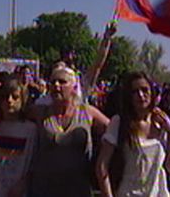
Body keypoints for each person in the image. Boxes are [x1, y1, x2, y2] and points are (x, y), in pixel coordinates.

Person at [28, 66, 109, 197]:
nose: (56, 85)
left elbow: (115, 130)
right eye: (52, 82)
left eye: (62, 82)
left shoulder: (87, 113)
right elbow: (12, 110)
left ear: (74, 87)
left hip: (78, 189)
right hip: (44, 189)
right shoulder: (40, 112)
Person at [96, 71, 170, 197]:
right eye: (135, 91)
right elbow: (102, 166)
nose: (141, 95)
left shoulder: (161, 123)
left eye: (145, 90)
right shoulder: (119, 123)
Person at [0, 76, 36, 197]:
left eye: (15, 97)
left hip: (16, 191)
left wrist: (24, 183)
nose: (9, 101)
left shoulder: (30, 129)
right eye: (5, 97)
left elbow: (32, 161)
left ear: (23, 100)